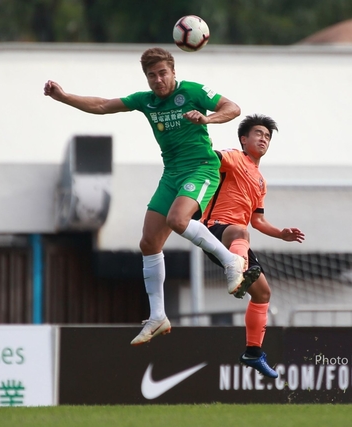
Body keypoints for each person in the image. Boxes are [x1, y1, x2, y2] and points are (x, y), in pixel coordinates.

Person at [44, 47, 259, 346]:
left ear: (173, 72)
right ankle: (158, 316)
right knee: (149, 243)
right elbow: (103, 105)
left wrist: (207, 119)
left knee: (178, 220)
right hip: (172, 174)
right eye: (151, 75)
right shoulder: (145, 100)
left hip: (201, 168)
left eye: (162, 73)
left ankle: (231, 260)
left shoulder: (193, 91)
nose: (158, 80)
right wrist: (64, 97)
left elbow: (233, 108)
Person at [200, 114, 305, 378]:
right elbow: (210, 156)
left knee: (263, 294)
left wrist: (281, 234)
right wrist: (200, 130)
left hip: (238, 241)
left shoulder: (260, 181)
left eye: (267, 136)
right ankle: (236, 275)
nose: (263, 139)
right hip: (215, 230)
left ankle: (253, 352)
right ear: (243, 139)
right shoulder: (234, 158)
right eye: (258, 133)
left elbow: (258, 220)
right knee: (240, 230)